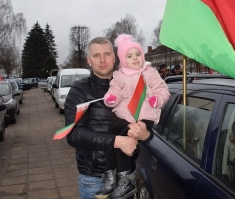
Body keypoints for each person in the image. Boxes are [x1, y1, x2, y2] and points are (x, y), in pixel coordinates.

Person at [64, 37, 152, 199]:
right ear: (88, 60)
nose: (102, 60)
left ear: (115, 57)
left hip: (128, 177)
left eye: (107, 54)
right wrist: (117, 141)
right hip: (96, 179)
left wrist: (146, 134)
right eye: (96, 55)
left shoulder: (133, 85)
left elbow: (147, 122)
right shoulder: (81, 90)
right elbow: (73, 134)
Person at [95, 34, 170, 199]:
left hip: (144, 115)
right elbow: (115, 91)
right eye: (129, 56)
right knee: (110, 138)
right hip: (124, 115)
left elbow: (162, 90)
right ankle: (110, 176)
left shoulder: (150, 73)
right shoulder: (119, 76)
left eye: (138, 54)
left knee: (124, 141)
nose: (135, 58)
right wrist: (111, 98)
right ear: (122, 60)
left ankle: (126, 179)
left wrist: (157, 100)